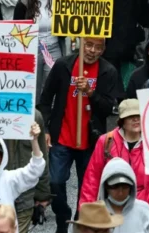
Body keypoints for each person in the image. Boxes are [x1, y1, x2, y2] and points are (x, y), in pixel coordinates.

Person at [38, 37, 124, 233]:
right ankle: (62, 218)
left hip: (90, 141)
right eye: (89, 45)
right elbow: (45, 99)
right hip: (62, 137)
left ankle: (79, 223)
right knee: (55, 182)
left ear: (103, 50)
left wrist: (90, 92)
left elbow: (107, 109)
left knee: (87, 188)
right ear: (80, 44)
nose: (92, 51)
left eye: (97, 47)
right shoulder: (63, 66)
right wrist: (46, 130)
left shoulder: (108, 71)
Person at [78, 99, 149, 215]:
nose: (136, 119)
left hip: (148, 212)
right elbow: (92, 179)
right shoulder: (106, 142)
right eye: (130, 116)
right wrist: (87, 213)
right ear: (122, 121)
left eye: (138, 115)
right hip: (114, 211)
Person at [93, 158, 149, 232]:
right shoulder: (94, 213)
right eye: (115, 186)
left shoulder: (143, 210)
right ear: (106, 186)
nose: (120, 192)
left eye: (125, 187)